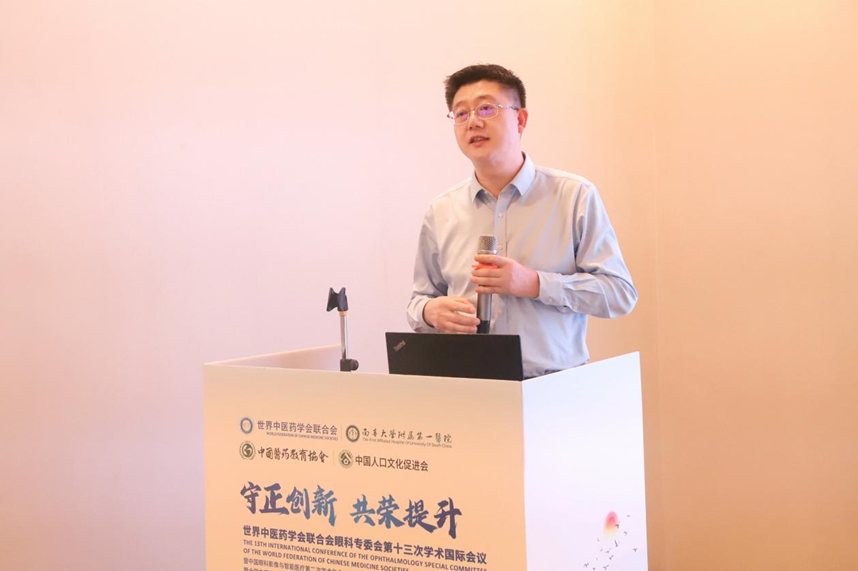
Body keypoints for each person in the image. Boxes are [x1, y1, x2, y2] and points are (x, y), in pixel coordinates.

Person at [406, 64, 637, 377]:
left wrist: (535, 284)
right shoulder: (441, 210)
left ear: (521, 120)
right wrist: (429, 312)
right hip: (468, 386)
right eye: (461, 113)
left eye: (486, 108)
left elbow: (619, 294)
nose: (473, 121)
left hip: (553, 387)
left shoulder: (573, 196)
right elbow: (419, 300)